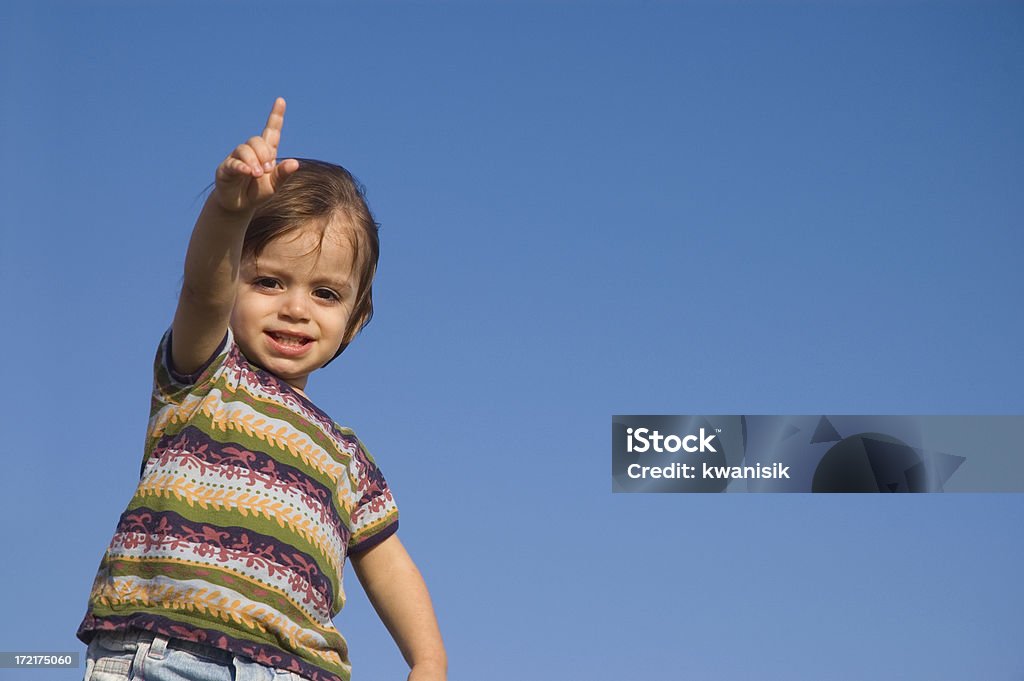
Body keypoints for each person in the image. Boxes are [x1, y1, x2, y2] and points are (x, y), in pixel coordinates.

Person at [76, 98, 446, 681]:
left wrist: (428, 660)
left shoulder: (347, 457)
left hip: (298, 669)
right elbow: (202, 291)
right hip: (166, 650)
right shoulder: (204, 375)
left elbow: (388, 563)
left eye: (325, 294)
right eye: (269, 281)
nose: (296, 309)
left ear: (356, 316)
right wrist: (228, 211)